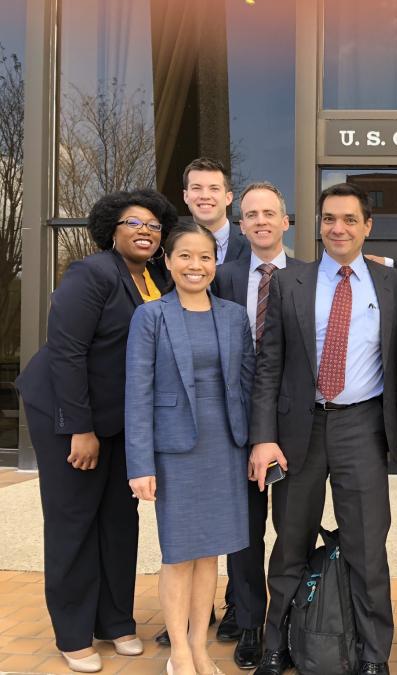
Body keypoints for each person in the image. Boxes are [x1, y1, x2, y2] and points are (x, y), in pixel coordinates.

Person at [15, 189, 177, 673]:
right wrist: (79, 429)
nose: (145, 230)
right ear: (112, 229)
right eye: (133, 222)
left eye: (153, 224)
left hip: (121, 421)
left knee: (118, 520)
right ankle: (73, 632)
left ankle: (115, 622)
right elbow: (66, 352)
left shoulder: (155, 279)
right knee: (75, 521)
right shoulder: (92, 273)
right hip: (70, 416)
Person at [249, 183, 397, 675]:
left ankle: (372, 653)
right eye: (330, 218)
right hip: (300, 430)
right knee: (289, 543)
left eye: (350, 219)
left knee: (366, 548)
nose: (339, 228)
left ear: (367, 227)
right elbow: (268, 365)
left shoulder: (391, 284)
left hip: (363, 426)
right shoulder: (290, 282)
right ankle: (277, 644)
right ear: (317, 225)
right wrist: (263, 436)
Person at [125, 222, 255, 675]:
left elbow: (249, 384)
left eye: (204, 257)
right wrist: (140, 464)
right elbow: (137, 393)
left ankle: (200, 646)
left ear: (214, 264)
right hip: (175, 450)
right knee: (179, 553)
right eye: (185, 256)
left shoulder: (234, 315)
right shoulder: (152, 316)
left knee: (211, 553)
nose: (195, 265)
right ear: (168, 260)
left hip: (226, 447)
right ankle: (179, 650)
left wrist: (256, 446)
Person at [212, 181, 301, 669]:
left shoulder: (311, 275)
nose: (262, 221)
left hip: (294, 425)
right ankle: (249, 622)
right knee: (244, 532)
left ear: (285, 221)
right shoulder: (221, 277)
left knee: (291, 529)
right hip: (234, 426)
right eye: (252, 214)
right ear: (241, 225)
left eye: (271, 212)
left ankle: (283, 624)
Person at [183, 157, 250, 264]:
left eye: (214, 188)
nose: (205, 196)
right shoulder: (172, 247)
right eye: (196, 188)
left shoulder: (252, 245)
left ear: (228, 198)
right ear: (186, 196)